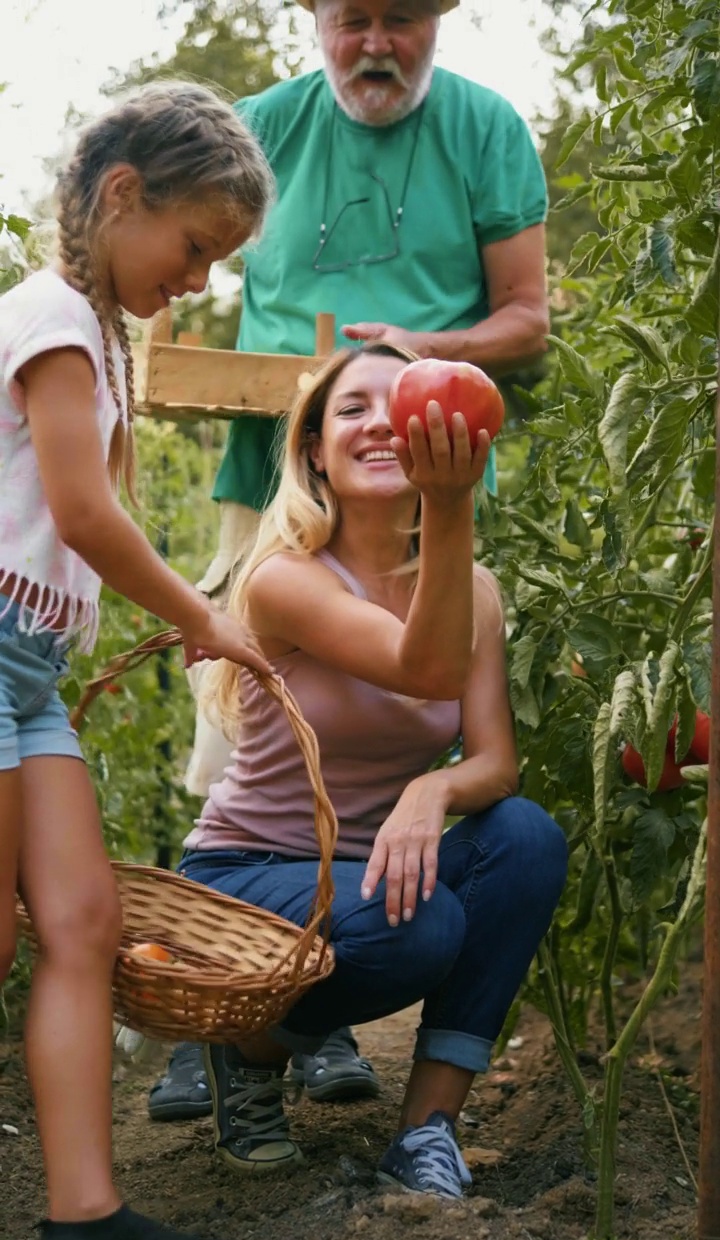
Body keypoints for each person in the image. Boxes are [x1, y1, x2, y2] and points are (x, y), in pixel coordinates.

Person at [160, 0, 550, 1116]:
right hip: (281, 470)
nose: (376, 42)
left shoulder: (483, 129)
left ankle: (319, 1023)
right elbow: (185, 271)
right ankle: (229, 1010)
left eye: (401, 18)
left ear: (441, 19)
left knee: (416, 733)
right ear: (315, 17)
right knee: (241, 725)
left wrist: (407, 360)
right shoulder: (258, 131)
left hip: (431, 479)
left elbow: (525, 318)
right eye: (354, 17)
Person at [170, 342, 568, 1191]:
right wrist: (451, 505)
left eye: (407, 404)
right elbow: (425, 670)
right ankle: (247, 1047)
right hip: (248, 875)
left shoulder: (476, 592)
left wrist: (435, 787)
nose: (385, 423)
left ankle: (426, 1134)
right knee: (420, 931)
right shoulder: (286, 579)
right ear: (314, 449)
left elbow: (496, 762)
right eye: (353, 409)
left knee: (526, 839)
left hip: (371, 874)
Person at [0, 82, 276, 1240]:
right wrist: (205, 615)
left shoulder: (102, 332)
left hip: (31, 669)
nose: (200, 276)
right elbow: (82, 512)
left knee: (84, 923)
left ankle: (85, 1224)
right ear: (124, 194)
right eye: (195, 244)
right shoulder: (52, 311)